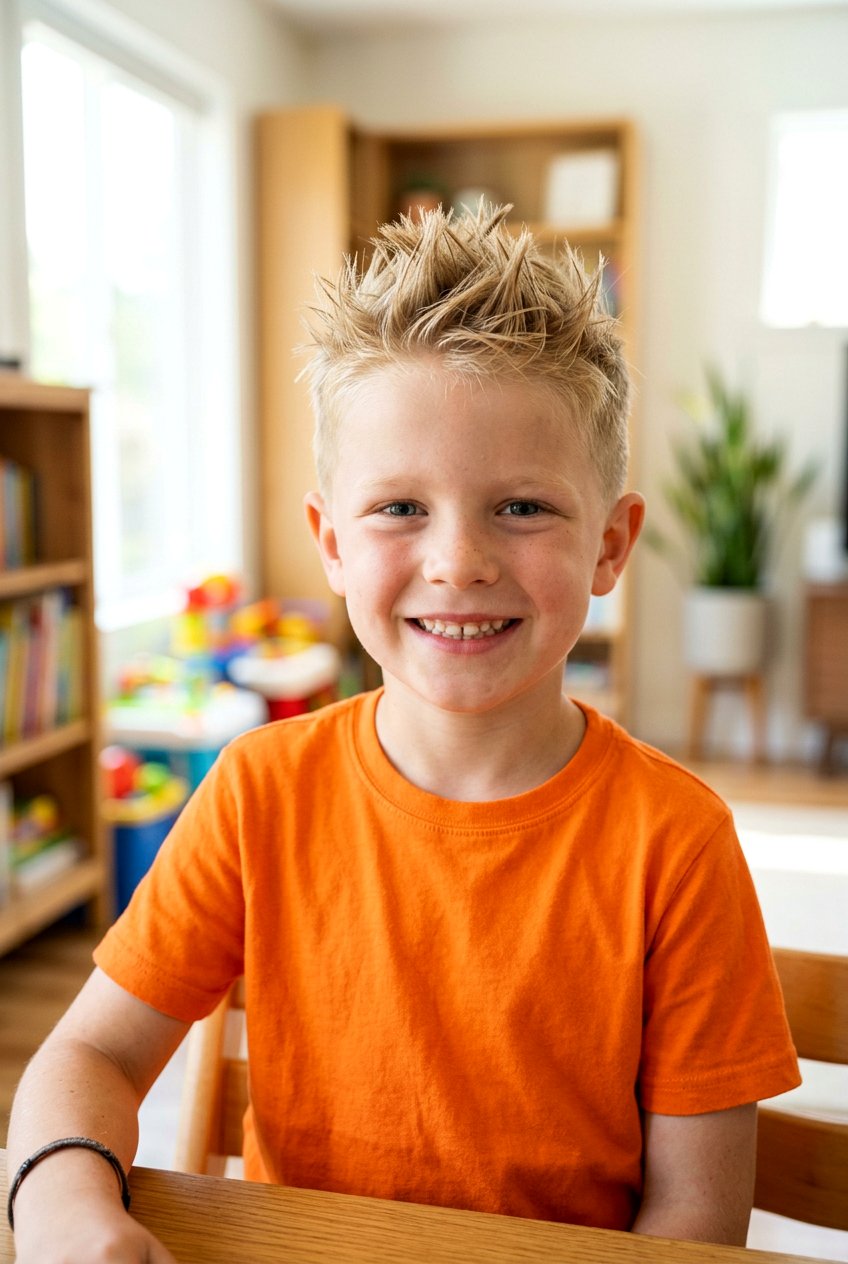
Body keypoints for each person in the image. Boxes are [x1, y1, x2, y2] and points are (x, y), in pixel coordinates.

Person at [6, 206, 800, 1262]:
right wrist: (62, 1205)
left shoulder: (677, 842)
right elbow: (92, 1053)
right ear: (329, 542)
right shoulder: (257, 791)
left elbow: (695, 1223)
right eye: (397, 509)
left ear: (610, 546)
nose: (457, 561)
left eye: (520, 507)